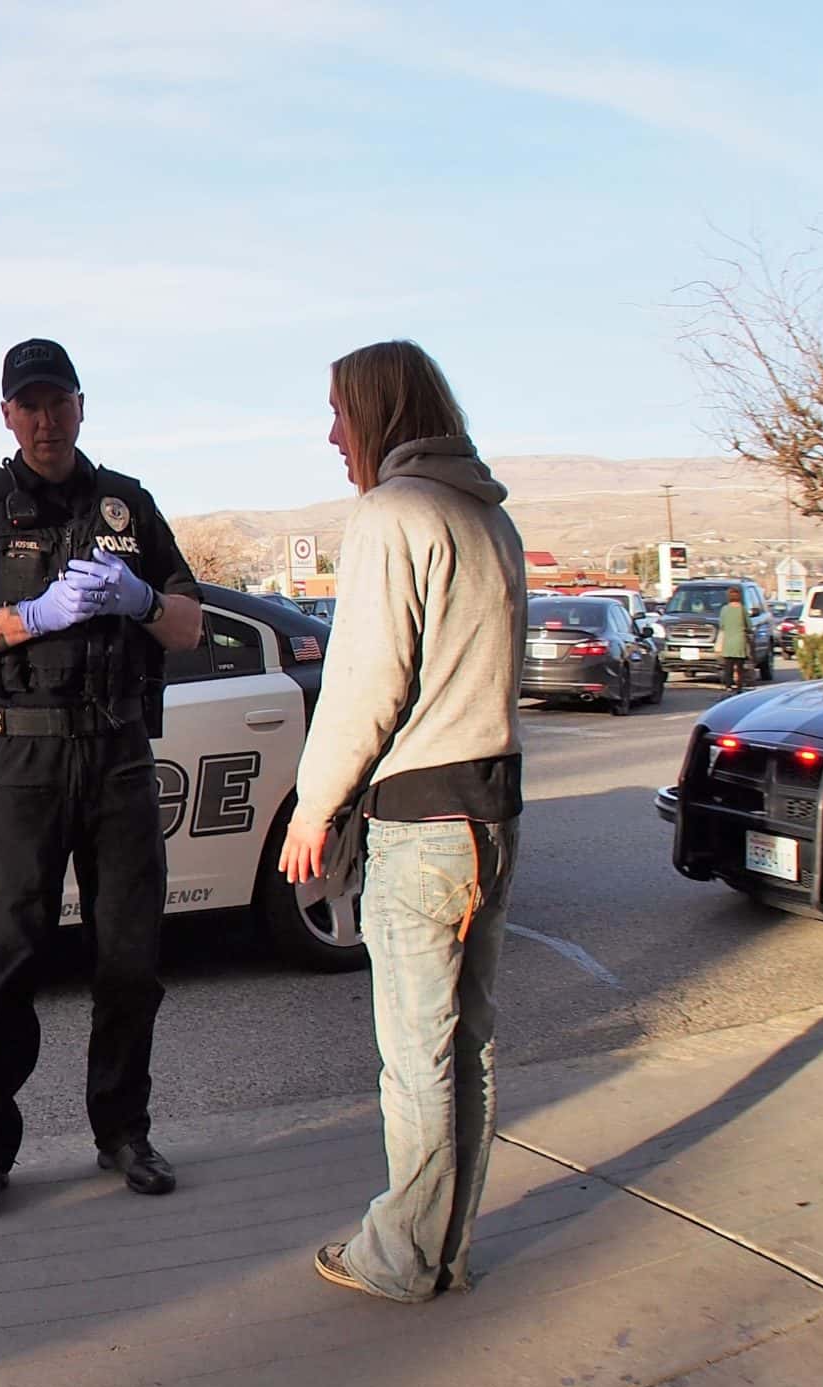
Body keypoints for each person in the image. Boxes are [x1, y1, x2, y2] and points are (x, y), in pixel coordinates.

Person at [0, 338, 204, 1221]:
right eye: (28, 404)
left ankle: (123, 1132)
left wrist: (142, 602)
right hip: (24, 757)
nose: (46, 419)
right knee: (8, 963)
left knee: (130, 959)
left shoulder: (130, 506)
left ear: (82, 405)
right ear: (7, 414)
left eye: (59, 401)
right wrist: (25, 617)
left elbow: (190, 627)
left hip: (117, 753)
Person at [280, 340, 525, 1304]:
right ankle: (443, 1246)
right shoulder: (487, 517)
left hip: (423, 825)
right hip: (492, 816)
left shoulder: (392, 515)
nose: (332, 433)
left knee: (415, 1058)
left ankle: (403, 1257)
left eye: (340, 411)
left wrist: (313, 806)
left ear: (379, 411)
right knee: (468, 1046)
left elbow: (366, 686)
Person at [717, 588, 751, 694]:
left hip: (728, 641)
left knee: (728, 666)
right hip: (740, 641)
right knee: (740, 666)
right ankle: (739, 685)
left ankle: (728, 685)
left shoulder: (724, 609)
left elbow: (721, 625)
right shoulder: (743, 609)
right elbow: (749, 625)